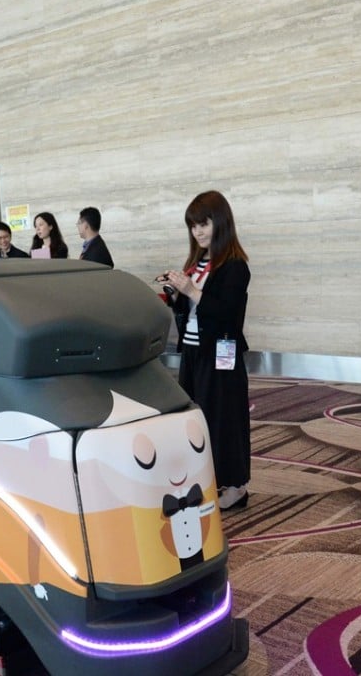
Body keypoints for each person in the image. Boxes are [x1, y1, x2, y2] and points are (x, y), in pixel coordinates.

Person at [160, 191, 250, 510]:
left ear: (220, 222)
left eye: (204, 224)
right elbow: (191, 306)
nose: (198, 232)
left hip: (221, 354)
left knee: (224, 419)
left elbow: (225, 311)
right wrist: (175, 293)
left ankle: (235, 486)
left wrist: (191, 290)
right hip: (194, 352)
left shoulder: (235, 266)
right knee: (194, 419)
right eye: (193, 226)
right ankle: (204, 479)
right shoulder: (197, 263)